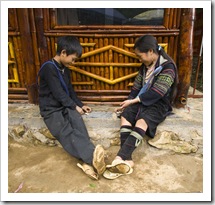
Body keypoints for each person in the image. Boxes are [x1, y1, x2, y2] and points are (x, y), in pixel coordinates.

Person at [103, 35, 178, 180]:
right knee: (126, 114)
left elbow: (158, 92)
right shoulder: (145, 66)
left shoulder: (168, 67)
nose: (139, 59)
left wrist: (135, 100)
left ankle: (120, 157)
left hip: (160, 103)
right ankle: (127, 158)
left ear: (150, 51)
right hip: (142, 100)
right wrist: (128, 102)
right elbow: (137, 87)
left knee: (142, 120)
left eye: (140, 56)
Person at [38, 36, 106, 180]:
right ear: (63, 53)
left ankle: (89, 158)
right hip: (51, 109)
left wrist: (80, 105)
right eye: (73, 59)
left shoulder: (64, 69)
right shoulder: (48, 68)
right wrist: (74, 106)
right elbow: (58, 93)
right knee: (64, 131)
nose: (73, 62)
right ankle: (92, 157)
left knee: (77, 121)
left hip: (64, 105)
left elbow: (69, 91)